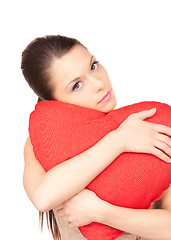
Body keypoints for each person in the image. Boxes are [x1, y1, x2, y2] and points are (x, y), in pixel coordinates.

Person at [22, 35, 171, 240]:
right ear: (53, 103)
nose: (98, 83)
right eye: (76, 85)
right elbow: (42, 197)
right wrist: (119, 141)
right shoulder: (41, 146)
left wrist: (100, 212)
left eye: (93, 66)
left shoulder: (149, 124)